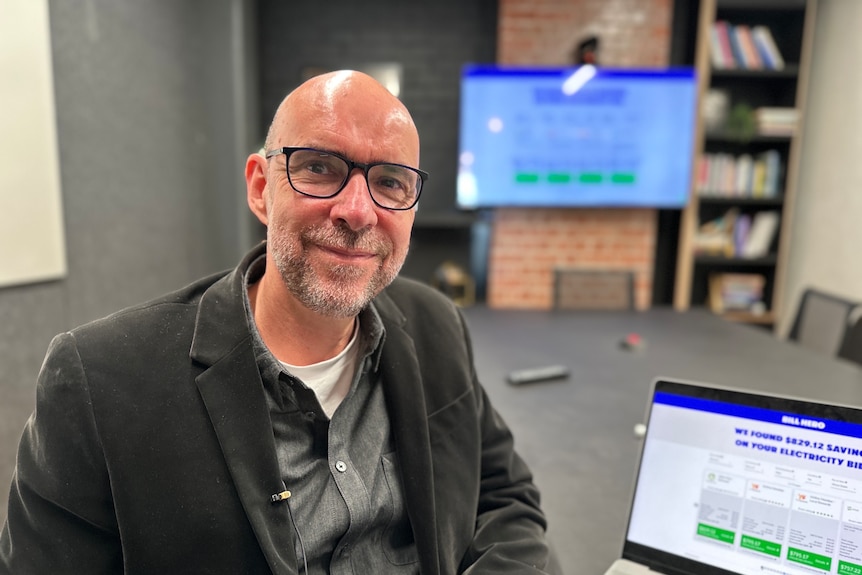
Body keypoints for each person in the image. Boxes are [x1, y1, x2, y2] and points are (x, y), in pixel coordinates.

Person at [0, 70, 557, 574]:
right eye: (319, 168)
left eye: (390, 182)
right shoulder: (100, 382)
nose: (358, 211)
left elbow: (504, 497)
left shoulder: (435, 325)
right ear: (262, 188)